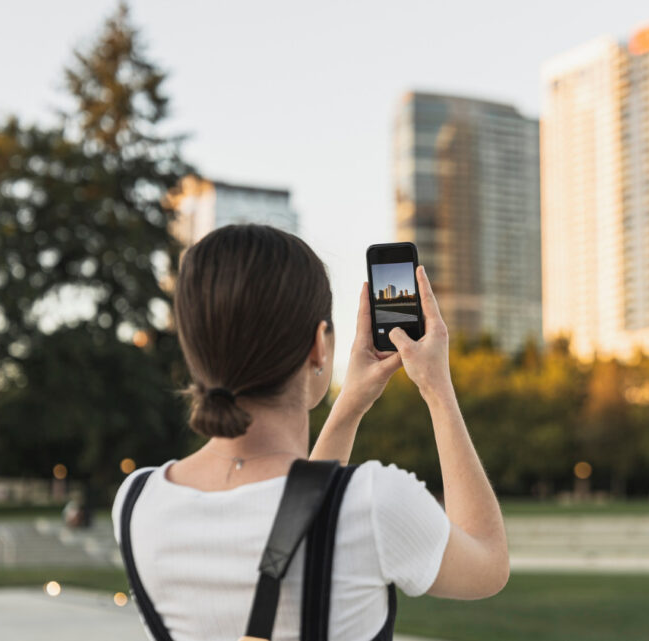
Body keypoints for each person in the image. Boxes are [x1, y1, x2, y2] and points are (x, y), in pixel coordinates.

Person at [111, 224, 509, 641]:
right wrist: (437, 389)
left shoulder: (137, 501)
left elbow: (299, 513)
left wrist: (351, 403)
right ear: (319, 344)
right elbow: (488, 561)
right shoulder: (374, 502)